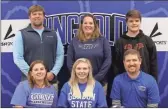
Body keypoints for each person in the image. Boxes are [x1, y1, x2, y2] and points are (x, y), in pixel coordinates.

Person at [13, 5, 64, 84]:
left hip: (50, 81)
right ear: (29, 17)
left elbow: (60, 55)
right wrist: (32, 74)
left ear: (44, 17)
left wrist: (53, 72)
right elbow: (18, 58)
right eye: (34, 14)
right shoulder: (21, 34)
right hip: (29, 81)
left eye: (40, 14)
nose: (37, 16)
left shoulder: (54, 33)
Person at [67, 13, 111, 87]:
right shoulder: (74, 41)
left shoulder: (102, 40)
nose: (88, 25)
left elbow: (108, 60)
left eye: (91, 23)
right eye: (85, 23)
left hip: (99, 83)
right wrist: (79, 78)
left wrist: (96, 79)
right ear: (81, 25)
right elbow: (69, 62)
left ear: (95, 25)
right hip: (78, 83)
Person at [113, 9, 158, 81]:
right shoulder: (119, 42)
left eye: (137, 21)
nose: (134, 23)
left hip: (144, 81)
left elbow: (153, 64)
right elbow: (116, 66)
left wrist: (153, 81)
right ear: (127, 23)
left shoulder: (148, 40)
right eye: (131, 21)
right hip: (125, 82)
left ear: (140, 22)